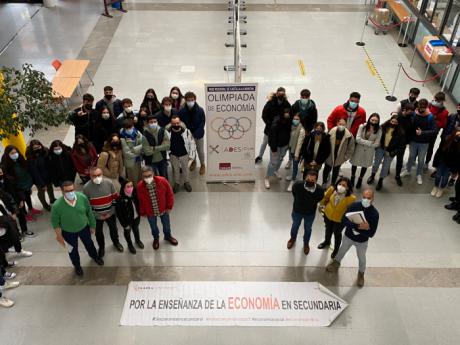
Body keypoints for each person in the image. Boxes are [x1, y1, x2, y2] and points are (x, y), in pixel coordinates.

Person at [326, 189, 379, 288]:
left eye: (368, 198)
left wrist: (361, 229)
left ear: (373, 199)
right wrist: (358, 226)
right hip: (348, 237)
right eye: (364, 197)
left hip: (362, 241)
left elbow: (371, 233)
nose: (366, 200)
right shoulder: (353, 206)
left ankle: (361, 273)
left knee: (362, 258)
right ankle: (336, 263)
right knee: (342, 251)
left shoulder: (374, 214)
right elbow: (343, 220)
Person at [51, 181, 104, 276]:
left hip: (84, 228)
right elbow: (55, 223)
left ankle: (95, 257)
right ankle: (77, 266)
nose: (70, 193)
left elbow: (89, 212)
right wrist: (59, 236)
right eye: (67, 191)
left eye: (72, 190)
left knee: (89, 244)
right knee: (72, 250)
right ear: (62, 192)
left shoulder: (82, 198)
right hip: (68, 232)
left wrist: (92, 225)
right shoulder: (57, 206)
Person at [83, 167, 123, 257]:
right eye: (94, 176)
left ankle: (116, 242)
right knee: (98, 233)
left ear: (102, 174)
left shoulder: (109, 183)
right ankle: (101, 247)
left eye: (99, 175)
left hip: (110, 213)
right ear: (90, 176)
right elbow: (87, 206)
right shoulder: (86, 188)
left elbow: (115, 198)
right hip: (96, 216)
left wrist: (110, 212)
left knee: (114, 230)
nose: (97, 177)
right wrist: (97, 215)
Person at [137, 166, 178, 250]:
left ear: (153, 174)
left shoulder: (162, 181)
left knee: (166, 224)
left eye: (149, 175)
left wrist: (169, 206)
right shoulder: (140, 186)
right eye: (145, 176)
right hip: (150, 212)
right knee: (153, 227)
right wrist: (142, 212)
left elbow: (170, 194)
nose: (148, 178)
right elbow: (140, 201)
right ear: (142, 177)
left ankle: (168, 236)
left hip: (163, 209)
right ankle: (156, 238)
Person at [1, 145, 42, 224]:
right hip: (18, 187)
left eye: (16, 152)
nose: (15, 154)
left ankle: (31, 208)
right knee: (21, 201)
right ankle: (25, 214)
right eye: (12, 153)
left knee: (27, 196)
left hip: (26, 183)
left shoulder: (21, 160)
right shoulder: (6, 165)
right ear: (7, 155)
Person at [286, 170, 324, 255]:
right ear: (305, 178)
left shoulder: (320, 190)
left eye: (312, 180)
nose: (310, 181)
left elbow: (319, 198)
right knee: (295, 225)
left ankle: (306, 243)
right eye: (308, 179)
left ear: (316, 181)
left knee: (308, 229)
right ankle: (292, 239)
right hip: (297, 211)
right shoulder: (297, 185)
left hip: (310, 213)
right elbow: (294, 193)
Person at [400, 99, 437, 185]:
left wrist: (422, 133)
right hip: (413, 141)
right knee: (411, 157)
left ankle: (418, 174)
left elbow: (435, 131)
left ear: (426, 107)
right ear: (417, 106)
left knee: (421, 160)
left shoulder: (430, 117)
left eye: (423, 108)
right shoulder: (414, 113)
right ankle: (408, 170)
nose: (421, 109)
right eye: (420, 107)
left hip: (424, 143)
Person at [318, 177, 356, 258]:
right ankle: (326, 242)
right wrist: (320, 205)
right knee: (328, 230)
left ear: (348, 187)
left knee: (337, 234)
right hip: (328, 214)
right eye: (340, 184)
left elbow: (350, 210)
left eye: (344, 185)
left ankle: (336, 250)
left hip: (340, 220)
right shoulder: (332, 190)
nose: (341, 186)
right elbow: (325, 198)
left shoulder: (351, 198)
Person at [368, 115, 406, 191]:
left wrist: (392, 153)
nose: (393, 123)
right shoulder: (383, 127)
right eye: (392, 121)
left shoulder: (401, 133)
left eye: (395, 122)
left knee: (385, 167)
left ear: (398, 123)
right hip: (380, 149)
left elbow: (401, 146)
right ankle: (372, 176)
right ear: (390, 120)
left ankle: (380, 181)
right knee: (376, 164)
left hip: (390, 152)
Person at [255, 87, 291, 163]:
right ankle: (260, 156)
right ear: (277, 93)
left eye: (282, 94)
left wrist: (284, 122)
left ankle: (277, 158)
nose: (281, 95)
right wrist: (270, 124)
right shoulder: (270, 103)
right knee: (265, 142)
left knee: (277, 143)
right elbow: (264, 115)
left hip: (280, 130)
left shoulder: (286, 104)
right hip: (269, 128)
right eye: (279, 93)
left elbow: (289, 116)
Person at [295, 122, 331, 191]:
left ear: (323, 129)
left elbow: (327, 152)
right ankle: (304, 186)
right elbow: (304, 149)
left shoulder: (326, 138)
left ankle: (312, 186)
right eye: (317, 128)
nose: (318, 130)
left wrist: (317, 161)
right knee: (306, 173)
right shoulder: (309, 136)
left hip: (318, 162)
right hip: (308, 161)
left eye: (320, 129)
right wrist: (309, 160)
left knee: (315, 174)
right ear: (314, 128)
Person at [350, 114, 382, 189]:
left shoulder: (379, 130)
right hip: (359, 149)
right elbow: (357, 139)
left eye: (376, 121)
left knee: (365, 165)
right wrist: (370, 143)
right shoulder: (362, 127)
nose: (373, 122)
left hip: (369, 152)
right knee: (354, 164)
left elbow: (377, 144)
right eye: (372, 120)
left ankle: (360, 179)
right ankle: (352, 177)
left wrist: (364, 142)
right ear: (369, 119)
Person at [0, 189, 33, 261]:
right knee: (3, 238)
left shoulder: (3, 193)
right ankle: (5, 253)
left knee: (15, 235)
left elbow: (11, 201)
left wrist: (14, 213)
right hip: (2, 220)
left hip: (8, 218)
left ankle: (19, 251)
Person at [166, 115, 196, 193]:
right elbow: (166, 145)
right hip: (173, 155)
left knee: (185, 169)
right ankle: (177, 183)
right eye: (174, 123)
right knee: (176, 170)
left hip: (184, 154)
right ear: (171, 123)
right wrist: (167, 156)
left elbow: (192, 143)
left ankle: (186, 182)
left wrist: (191, 155)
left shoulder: (187, 132)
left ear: (180, 122)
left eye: (177, 123)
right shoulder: (167, 133)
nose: (176, 125)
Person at [178, 91, 206, 175]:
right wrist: (187, 134)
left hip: (198, 134)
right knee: (191, 150)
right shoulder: (182, 111)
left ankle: (202, 164)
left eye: (192, 100)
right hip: (187, 135)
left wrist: (196, 134)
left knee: (200, 150)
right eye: (188, 100)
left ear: (195, 100)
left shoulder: (200, 110)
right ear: (185, 100)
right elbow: (181, 123)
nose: (190, 102)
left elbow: (202, 123)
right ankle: (194, 162)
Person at [25, 140, 56, 211]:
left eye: (38, 147)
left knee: (50, 188)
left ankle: (52, 199)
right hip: (39, 179)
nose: (37, 149)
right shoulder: (30, 158)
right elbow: (35, 172)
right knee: (41, 192)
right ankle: (45, 204)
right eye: (35, 148)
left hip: (48, 176)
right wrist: (42, 184)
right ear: (32, 149)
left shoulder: (45, 152)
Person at [264, 108, 292, 189]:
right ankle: (267, 178)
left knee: (280, 159)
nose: (287, 114)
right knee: (273, 162)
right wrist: (273, 147)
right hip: (276, 146)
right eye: (285, 113)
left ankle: (275, 171)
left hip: (285, 145)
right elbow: (272, 136)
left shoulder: (289, 122)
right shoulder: (276, 123)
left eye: (288, 113)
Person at [323, 119, 355, 187]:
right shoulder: (330, 132)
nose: (341, 126)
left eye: (343, 124)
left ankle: (332, 184)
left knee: (336, 171)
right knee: (326, 170)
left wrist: (345, 158)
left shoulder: (349, 136)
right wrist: (324, 155)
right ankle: (324, 182)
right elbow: (324, 145)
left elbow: (351, 148)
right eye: (340, 124)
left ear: (346, 125)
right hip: (329, 157)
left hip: (339, 158)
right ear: (337, 123)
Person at [0, 167, 31, 237]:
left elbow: (18, 189)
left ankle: (24, 231)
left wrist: (21, 199)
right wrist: (11, 212)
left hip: (16, 202)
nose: (1, 174)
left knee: (21, 216)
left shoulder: (9, 179)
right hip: (5, 207)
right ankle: (17, 235)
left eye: (1, 172)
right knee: (11, 221)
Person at [115, 180, 144, 254]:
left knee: (136, 229)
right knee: (127, 232)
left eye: (131, 186)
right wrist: (124, 225)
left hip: (136, 217)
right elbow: (119, 214)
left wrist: (140, 214)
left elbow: (138, 205)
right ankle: (130, 244)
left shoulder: (135, 194)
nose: (130, 188)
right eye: (128, 186)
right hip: (127, 221)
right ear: (123, 188)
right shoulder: (119, 199)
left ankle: (138, 240)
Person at [432, 103, 460, 177]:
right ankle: (437, 169)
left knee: (454, 158)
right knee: (441, 153)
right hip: (446, 140)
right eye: (459, 107)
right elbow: (445, 126)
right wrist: (443, 136)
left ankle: (451, 176)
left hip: (457, 144)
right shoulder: (452, 116)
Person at [431, 129, 460, 198]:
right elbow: (440, 151)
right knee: (438, 176)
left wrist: (457, 141)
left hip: (450, 165)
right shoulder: (447, 139)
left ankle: (441, 189)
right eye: (457, 133)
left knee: (445, 178)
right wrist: (435, 162)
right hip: (442, 162)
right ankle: (436, 186)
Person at [426, 91, 449, 169]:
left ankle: (426, 162)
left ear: (442, 101)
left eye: (438, 101)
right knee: (420, 145)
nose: (436, 102)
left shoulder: (444, 111)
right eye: (435, 99)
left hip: (433, 132)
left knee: (430, 148)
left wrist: (433, 120)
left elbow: (443, 124)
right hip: (424, 129)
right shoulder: (429, 105)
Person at [395, 104, 415, 186]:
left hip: (402, 143)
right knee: (389, 157)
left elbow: (410, 131)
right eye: (409, 110)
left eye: (412, 111)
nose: (411, 112)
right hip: (394, 141)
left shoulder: (410, 118)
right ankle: (387, 169)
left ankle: (397, 176)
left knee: (400, 160)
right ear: (404, 109)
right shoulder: (397, 117)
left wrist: (407, 141)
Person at [120, 119, 143, 184]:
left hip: (139, 160)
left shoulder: (137, 132)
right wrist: (138, 152)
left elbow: (144, 143)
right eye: (127, 128)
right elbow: (126, 153)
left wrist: (134, 149)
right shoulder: (122, 137)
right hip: (130, 161)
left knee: (140, 176)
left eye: (131, 127)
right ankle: (134, 191)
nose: (130, 129)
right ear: (124, 128)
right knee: (132, 178)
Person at [285, 114, 304, 190]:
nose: (295, 120)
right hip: (291, 148)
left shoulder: (301, 129)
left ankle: (293, 180)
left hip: (297, 151)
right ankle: (293, 176)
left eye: (297, 119)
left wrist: (296, 154)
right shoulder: (291, 127)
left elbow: (299, 143)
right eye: (294, 118)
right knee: (293, 164)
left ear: (300, 120)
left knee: (295, 165)